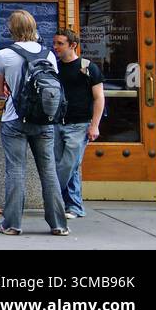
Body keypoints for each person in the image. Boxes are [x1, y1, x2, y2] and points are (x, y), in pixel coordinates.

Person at [0, 10, 69, 236]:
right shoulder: (49, 54)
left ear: (11, 28)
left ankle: (12, 224)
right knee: (49, 171)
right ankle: (58, 224)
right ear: (34, 27)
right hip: (44, 120)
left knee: (15, 170)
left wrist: (6, 89)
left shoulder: (4, 54)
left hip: (14, 119)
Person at [53, 28, 104, 220]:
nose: (56, 47)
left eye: (60, 43)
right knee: (67, 165)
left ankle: (51, 193)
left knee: (68, 164)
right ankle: (73, 207)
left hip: (80, 124)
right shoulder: (54, 67)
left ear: (72, 45)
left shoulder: (88, 67)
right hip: (57, 123)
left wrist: (95, 125)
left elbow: (99, 98)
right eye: (55, 43)